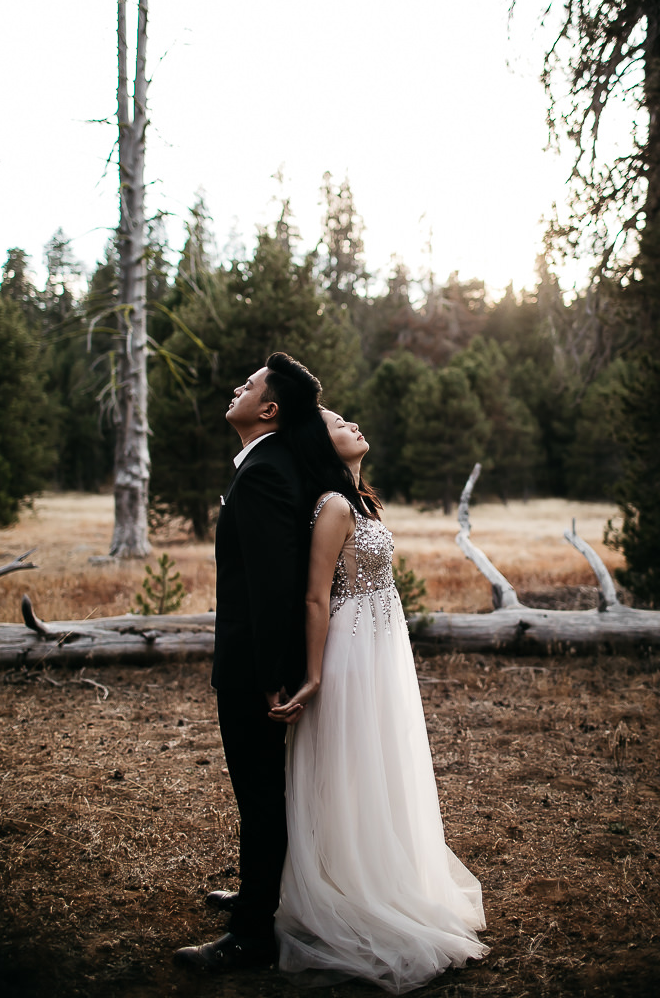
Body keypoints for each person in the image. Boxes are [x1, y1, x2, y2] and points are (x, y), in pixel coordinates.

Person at [269, 408, 488, 993]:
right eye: (338, 422)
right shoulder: (333, 506)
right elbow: (316, 598)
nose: (354, 425)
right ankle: (350, 887)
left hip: (382, 646)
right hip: (351, 650)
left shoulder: (356, 498)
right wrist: (312, 676)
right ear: (320, 441)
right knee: (352, 765)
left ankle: (388, 875)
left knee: (381, 763)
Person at [174, 352, 322, 974]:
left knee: (260, 795)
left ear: (269, 410)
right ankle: (258, 894)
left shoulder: (264, 471)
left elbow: (271, 587)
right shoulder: (270, 464)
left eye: (251, 384)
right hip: (260, 661)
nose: (238, 386)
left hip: (255, 669)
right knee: (261, 793)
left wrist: (268, 678)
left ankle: (252, 936)